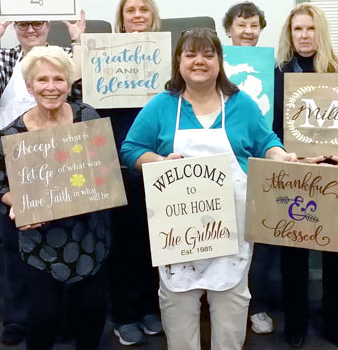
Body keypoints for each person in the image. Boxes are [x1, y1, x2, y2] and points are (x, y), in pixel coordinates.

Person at [120, 28, 298, 350]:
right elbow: (131, 148)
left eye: (207, 54)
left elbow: (266, 141)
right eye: (190, 54)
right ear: (179, 62)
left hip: (231, 225)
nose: (199, 61)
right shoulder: (162, 106)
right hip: (178, 229)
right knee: (178, 306)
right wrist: (159, 160)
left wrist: (281, 155)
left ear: (219, 61)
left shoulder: (241, 104)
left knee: (230, 307)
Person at [0, 7, 86, 345]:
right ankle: (18, 319)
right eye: (22, 23)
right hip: (10, 170)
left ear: (48, 25)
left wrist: (78, 40)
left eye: (37, 22)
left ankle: (63, 318)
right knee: (14, 250)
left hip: (62, 168)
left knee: (65, 244)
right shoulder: (7, 57)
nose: (30, 29)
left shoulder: (63, 56)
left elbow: (83, 89)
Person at [0, 46, 111, 350]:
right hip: (41, 241)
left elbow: (107, 171)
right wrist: (15, 202)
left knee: (90, 314)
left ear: (68, 85)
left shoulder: (87, 117)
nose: (51, 87)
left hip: (88, 237)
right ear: (30, 87)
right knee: (43, 318)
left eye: (59, 79)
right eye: (42, 80)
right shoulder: (12, 133)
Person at [273, 3, 338, 349]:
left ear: (321, 32)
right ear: (289, 34)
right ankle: (296, 324)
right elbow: (271, 126)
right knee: (293, 256)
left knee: (337, 255)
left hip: (335, 172)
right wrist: (291, 155)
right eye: (298, 29)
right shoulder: (277, 72)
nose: (304, 35)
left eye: (310, 28)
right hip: (295, 171)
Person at [103, 0, 165, 345]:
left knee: (154, 241)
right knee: (122, 241)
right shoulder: (105, 56)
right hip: (116, 160)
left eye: (144, 9)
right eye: (131, 10)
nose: (138, 15)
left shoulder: (168, 57)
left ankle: (148, 308)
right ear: (121, 18)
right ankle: (123, 314)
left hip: (157, 162)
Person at [222, 0, 276, 335]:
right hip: (222, 163)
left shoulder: (272, 68)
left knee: (261, 237)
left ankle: (258, 306)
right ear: (228, 29)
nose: (247, 31)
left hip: (259, 162)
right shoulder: (213, 65)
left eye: (254, 25)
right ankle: (223, 304)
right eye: (241, 25)